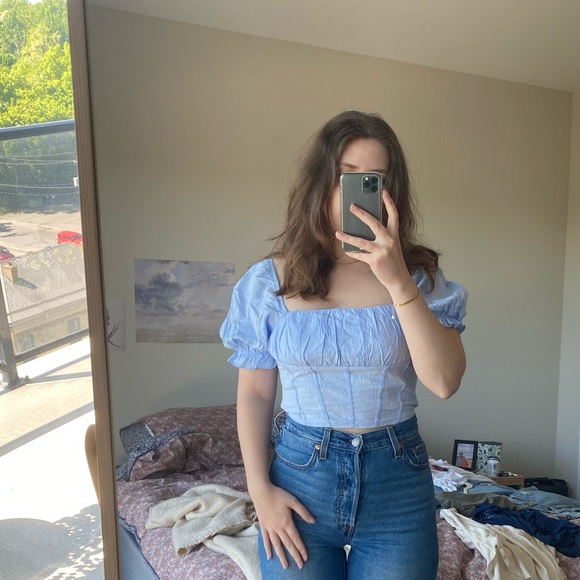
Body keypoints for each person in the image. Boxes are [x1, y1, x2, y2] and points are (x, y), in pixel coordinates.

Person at [220, 110, 467, 579]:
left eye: (375, 179)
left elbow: (444, 381)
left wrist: (398, 281)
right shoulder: (269, 281)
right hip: (300, 477)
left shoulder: (419, 277)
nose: (358, 193)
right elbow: (254, 394)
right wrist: (259, 491)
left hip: (398, 485)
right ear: (320, 183)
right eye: (346, 175)